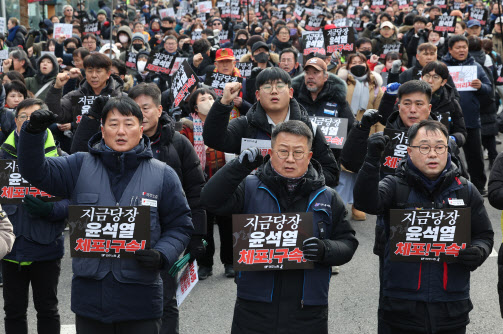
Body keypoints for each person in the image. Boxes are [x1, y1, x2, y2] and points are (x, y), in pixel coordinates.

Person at [17, 97, 193, 332]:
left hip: (140, 299)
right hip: (91, 300)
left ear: (141, 130)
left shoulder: (163, 174)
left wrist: (162, 254)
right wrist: (33, 132)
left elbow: (180, 225)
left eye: (129, 124)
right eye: (113, 124)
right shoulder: (79, 165)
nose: (121, 131)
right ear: (102, 129)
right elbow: (35, 172)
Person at [70, 83, 206, 334]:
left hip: (150, 257)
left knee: (166, 304)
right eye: (115, 122)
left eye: (143, 110)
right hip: (98, 275)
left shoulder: (175, 146)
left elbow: (192, 197)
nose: (122, 130)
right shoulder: (94, 159)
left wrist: (167, 251)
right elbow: (76, 160)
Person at [200, 120, 358, 334]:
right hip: (254, 308)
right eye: (283, 151)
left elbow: (348, 242)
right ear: (272, 152)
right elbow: (210, 200)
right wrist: (238, 166)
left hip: (308, 310)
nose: (290, 159)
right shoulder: (249, 186)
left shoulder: (327, 196)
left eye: (298, 152)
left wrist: (325, 250)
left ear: (309, 156)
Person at [354, 120, 494, 333]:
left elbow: (484, 234)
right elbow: (366, 203)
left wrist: (479, 251)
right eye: (424, 147)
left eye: (439, 147)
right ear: (409, 151)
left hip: (451, 307)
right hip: (401, 306)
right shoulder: (394, 185)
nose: (433, 154)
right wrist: (372, 160)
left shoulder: (465, 190)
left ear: (448, 150)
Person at [202, 67, 340, 187]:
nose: (274, 91)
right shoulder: (245, 125)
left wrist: (301, 180)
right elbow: (213, 139)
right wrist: (224, 102)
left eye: (280, 86)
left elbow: (331, 173)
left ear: (290, 92)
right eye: (267, 87)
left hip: (297, 210)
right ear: (257, 95)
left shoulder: (310, 128)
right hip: (255, 206)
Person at [1, 98, 68, 334]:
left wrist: (52, 210)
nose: (29, 122)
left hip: (47, 248)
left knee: (48, 309)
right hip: (10, 250)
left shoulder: (62, 159)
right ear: (15, 121)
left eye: (36, 117)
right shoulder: (2, 157)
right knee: (14, 311)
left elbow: (76, 202)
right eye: (23, 117)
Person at [181, 88, 233, 280]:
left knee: (228, 223)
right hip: (200, 182)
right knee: (204, 225)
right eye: (203, 99)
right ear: (195, 106)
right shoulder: (187, 127)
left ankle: (230, 262)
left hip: (225, 180)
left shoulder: (225, 120)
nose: (208, 101)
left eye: (211, 97)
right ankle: (204, 264)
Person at [335, 52, 384, 220]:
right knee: (343, 171)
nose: (357, 64)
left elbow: (380, 113)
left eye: (360, 62)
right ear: (347, 66)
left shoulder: (375, 85)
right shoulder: (340, 83)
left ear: (366, 64)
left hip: (367, 131)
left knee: (361, 170)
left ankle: (357, 205)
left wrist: (380, 133)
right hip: (346, 130)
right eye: (353, 62)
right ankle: (339, 205)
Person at [442, 35, 492, 195]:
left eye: (464, 47)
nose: (462, 50)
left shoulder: (476, 66)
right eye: (458, 47)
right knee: (447, 154)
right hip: (448, 120)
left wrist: (480, 86)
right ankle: (450, 185)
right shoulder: (443, 67)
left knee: (475, 155)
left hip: (470, 118)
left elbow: (489, 88)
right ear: (450, 50)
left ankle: (479, 186)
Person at [45, 53, 124, 152]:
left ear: (108, 74)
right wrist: (56, 88)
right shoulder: (75, 96)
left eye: (98, 71)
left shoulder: (119, 96)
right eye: (90, 71)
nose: (94, 76)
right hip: (82, 151)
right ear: (85, 72)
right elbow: (57, 114)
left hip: (113, 149)